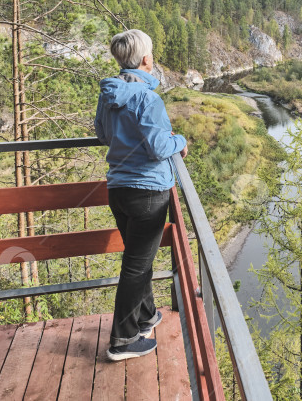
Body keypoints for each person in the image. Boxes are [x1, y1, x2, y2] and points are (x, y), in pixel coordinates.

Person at [94, 29, 188, 361]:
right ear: (146, 59)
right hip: (148, 191)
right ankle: (122, 340)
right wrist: (181, 142)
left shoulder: (109, 96)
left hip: (118, 189)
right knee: (136, 266)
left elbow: (104, 136)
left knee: (138, 259)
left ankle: (146, 316)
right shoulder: (149, 99)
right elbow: (160, 146)